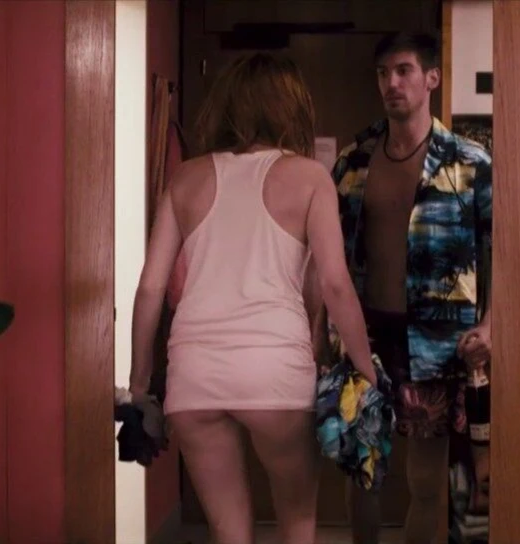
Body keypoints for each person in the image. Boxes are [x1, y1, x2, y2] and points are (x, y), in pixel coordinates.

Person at [127, 52, 379, 544]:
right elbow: (333, 283)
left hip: (194, 372)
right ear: (293, 107)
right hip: (274, 369)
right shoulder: (309, 177)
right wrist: (365, 368)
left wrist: (139, 386)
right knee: (297, 520)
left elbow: (151, 287)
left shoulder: (186, 178)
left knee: (229, 531)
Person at [315, 32, 494, 544]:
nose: (391, 83)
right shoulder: (353, 163)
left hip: (436, 344)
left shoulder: (470, 164)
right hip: (363, 337)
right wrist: (319, 333)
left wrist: (490, 324)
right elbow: (325, 260)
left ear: (431, 77)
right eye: (382, 73)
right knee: (362, 471)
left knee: (425, 482)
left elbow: (500, 253)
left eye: (403, 70)